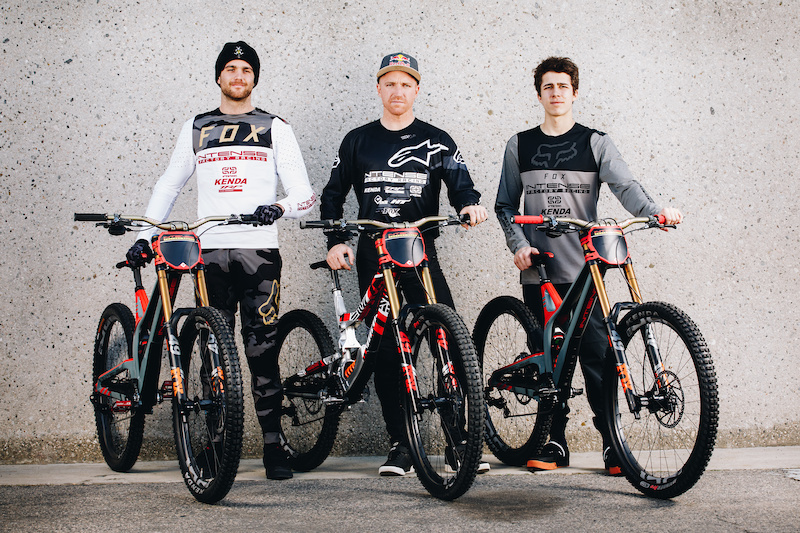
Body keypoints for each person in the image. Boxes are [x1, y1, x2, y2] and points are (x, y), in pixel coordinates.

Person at [126, 41, 316, 481]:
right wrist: (144, 234)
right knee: (214, 349)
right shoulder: (197, 127)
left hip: (259, 252)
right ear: (219, 77)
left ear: (255, 78)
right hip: (208, 252)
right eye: (230, 68)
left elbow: (303, 192)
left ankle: (273, 446)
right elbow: (169, 185)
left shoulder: (275, 127)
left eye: (246, 69)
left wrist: (280, 209)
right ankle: (215, 442)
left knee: (261, 348)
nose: (238, 75)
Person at [494, 56, 683, 475]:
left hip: (586, 271)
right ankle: (554, 443)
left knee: (599, 357)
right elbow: (505, 205)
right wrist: (518, 244)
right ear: (539, 93)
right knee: (550, 360)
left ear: (574, 92)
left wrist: (655, 212)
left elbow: (625, 186)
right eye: (548, 87)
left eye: (563, 86)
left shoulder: (596, 142)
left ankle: (611, 444)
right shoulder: (519, 145)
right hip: (540, 269)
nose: (556, 93)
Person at [320, 52, 490, 476]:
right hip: (373, 254)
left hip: (419, 251)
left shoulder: (438, 139)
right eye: (390, 83)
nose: (398, 91)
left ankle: (458, 441)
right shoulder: (357, 140)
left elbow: (461, 185)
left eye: (406, 84)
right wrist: (336, 240)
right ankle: (401, 445)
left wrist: (469, 205)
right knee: (390, 348)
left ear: (417, 90)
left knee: (447, 338)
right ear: (379, 89)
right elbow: (333, 195)